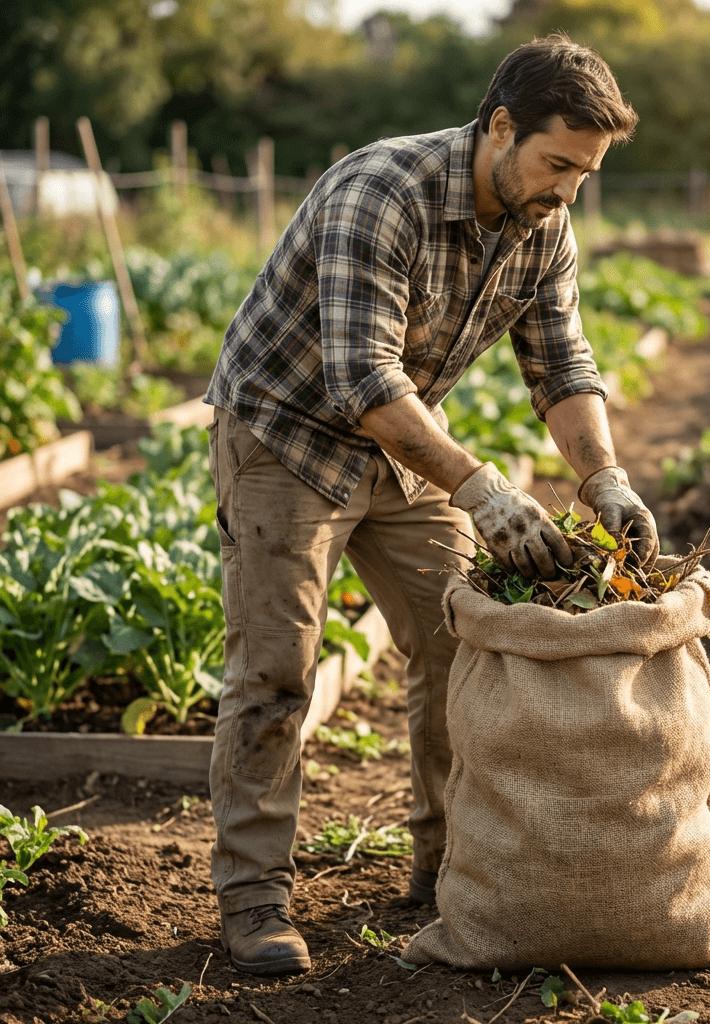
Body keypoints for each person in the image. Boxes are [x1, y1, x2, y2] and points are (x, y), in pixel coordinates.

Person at [204, 32, 660, 976]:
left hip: (404, 436)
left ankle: (453, 865)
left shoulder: (544, 224)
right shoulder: (384, 191)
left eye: (587, 172)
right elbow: (361, 379)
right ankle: (253, 899)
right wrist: (483, 487)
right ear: (500, 127)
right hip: (286, 434)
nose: (569, 189)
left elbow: (563, 366)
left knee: (462, 645)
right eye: (558, 163)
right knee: (278, 671)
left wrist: (601, 476)